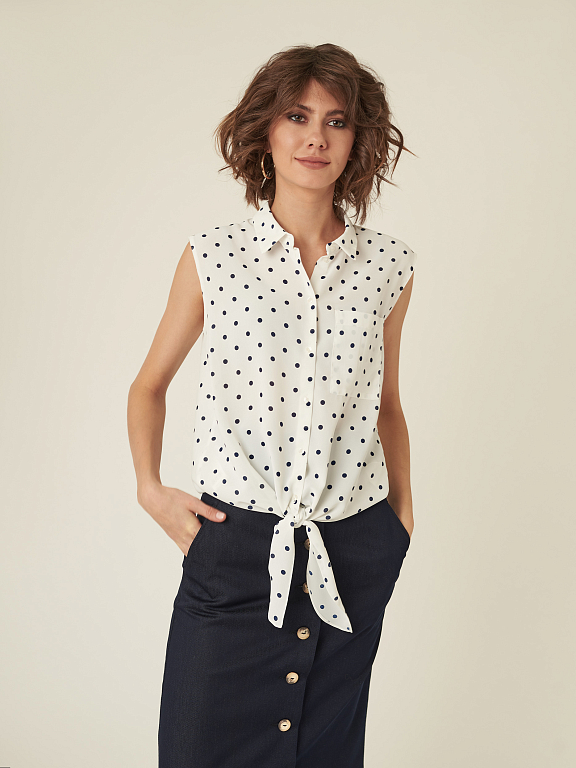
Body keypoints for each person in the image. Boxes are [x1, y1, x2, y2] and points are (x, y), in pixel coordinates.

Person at [127, 42, 418, 768]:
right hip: (234, 550)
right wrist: (150, 490)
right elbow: (149, 385)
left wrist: (400, 517)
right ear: (265, 130)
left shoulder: (390, 266)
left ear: (358, 140)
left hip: (353, 550)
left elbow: (385, 402)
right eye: (297, 116)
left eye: (336, 121)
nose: (316, 137)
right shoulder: (213, 255)